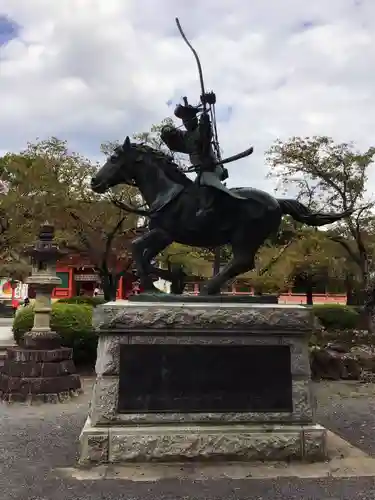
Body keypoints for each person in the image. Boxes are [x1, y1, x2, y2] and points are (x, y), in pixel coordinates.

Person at [161, 96, 245, 220]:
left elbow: (205, 134)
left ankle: (214, 208)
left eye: (189, 119)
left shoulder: (200, 130)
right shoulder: (185, 136)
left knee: (206, 184)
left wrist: (205, 114)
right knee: (192, 191)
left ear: (194, 119)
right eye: (184, 120)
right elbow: (173, 140)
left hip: (210, 169)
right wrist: (166, 131)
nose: (186, 122)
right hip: (200, 172)